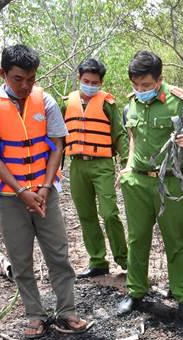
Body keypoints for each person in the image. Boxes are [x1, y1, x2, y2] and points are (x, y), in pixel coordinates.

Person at [0, 44, 92, 338]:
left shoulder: (46, 101)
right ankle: (34, 314)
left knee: (59, 255)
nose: (25, 86)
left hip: (46, 194)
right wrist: (23, 191)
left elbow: (57, 147)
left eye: (31, 79)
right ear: (3, 73)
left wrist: (46, 187)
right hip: (11, 198)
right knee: (21, 258)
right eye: (17, 79)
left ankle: (67, 312)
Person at [117, 51, 183, 319]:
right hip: (138, 183)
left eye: (146, 85)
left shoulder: (180, 101)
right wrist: (128, 168)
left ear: (159, 79)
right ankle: (135, 292)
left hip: (171, 183)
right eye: (136, 85)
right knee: (137, 239)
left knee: (177, 240)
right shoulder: (130, 104)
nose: (140, 90)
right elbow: (133, 137)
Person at [62, 58, 129, 278]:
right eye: (86, 80)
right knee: (86, 215)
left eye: (94, 82)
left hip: (102, 164)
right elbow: (58, 138)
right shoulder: (66, 102)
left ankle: (124, 259)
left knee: (109, 213)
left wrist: (128, 164)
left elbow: (118, 134)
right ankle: (98, 261)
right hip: (77, 165)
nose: (90, 85)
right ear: (79, 78)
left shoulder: (108, 103)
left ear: (101, 83)